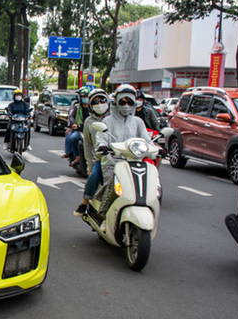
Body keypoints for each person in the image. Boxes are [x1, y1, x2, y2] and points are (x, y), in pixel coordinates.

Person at [95, 84, 163, 228]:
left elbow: (147, 141)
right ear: (117, 102)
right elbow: (100, 138)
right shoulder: (107, 121)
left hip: (135, 163)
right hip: (112, 162)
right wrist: (102, 146)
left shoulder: (138, 122)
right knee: (111, 186)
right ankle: (103, 216)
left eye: (129, 102)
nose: (126, 105)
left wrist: (157, 149)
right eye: (122, 102)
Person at [73, 89, 111, 217]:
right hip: (102, 159)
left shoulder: (114, 118)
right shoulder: (89, 122)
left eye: (102, 100)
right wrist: (90, 165)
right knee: (94, 176)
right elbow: (88, 145)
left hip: (122, 158)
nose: (100, 103)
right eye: (95, 101)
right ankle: (84, 203)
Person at [63, 87, 91, 166]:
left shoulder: (92, 107)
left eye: (86, 96)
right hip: (80, 130)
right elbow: (71, 116)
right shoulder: (77, 106)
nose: (84, 98)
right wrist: (73, 124)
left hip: (91, 129)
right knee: (73, 138)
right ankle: (77, 156)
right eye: (82, 97)